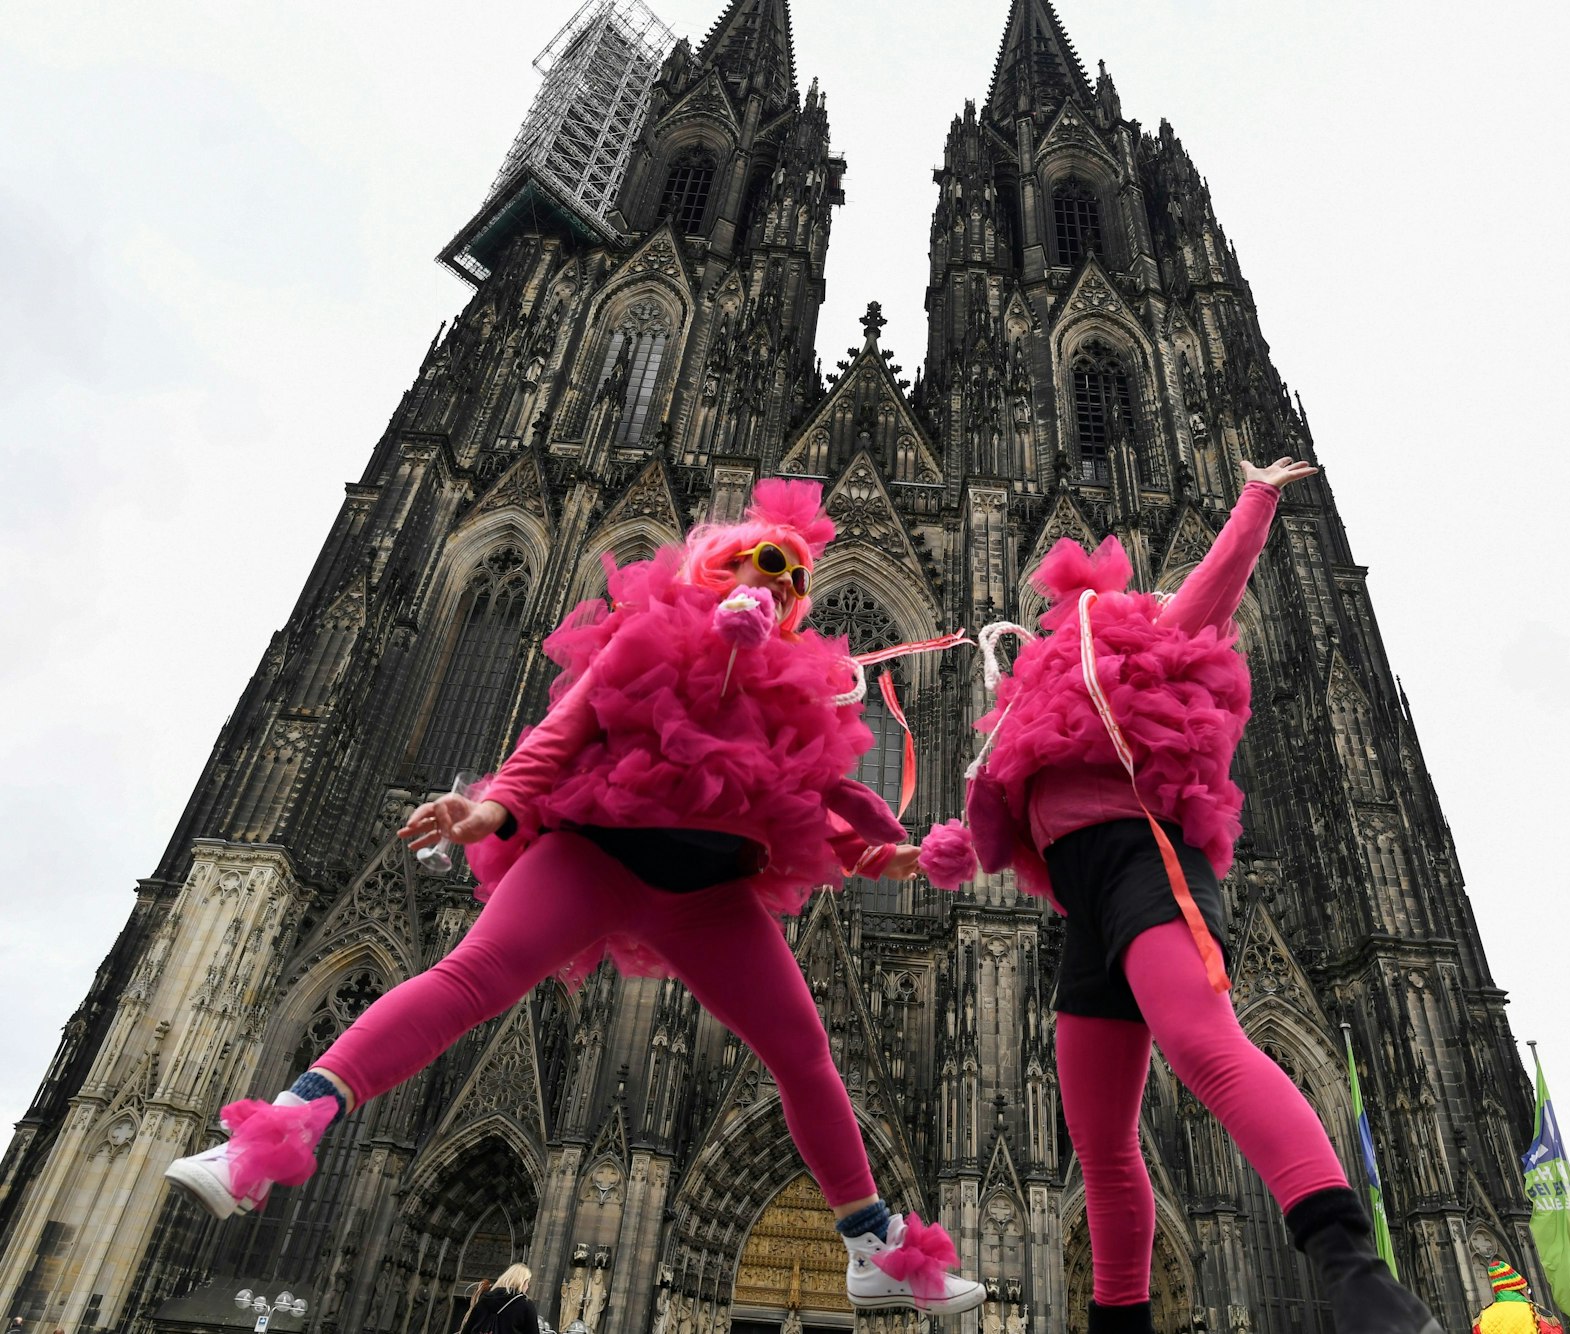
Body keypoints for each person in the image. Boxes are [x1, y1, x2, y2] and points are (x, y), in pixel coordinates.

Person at [163, 480, 984, 1315]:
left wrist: (905, 856)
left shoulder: (794, 688)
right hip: (593, 855)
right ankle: (272, 1134)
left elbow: (817, 802)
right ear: (718, 567)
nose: (777, 584)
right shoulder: (646, 642)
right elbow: (558, 737)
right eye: (762, 563)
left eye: (794, 579)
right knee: (470, 978)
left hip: (706, 893)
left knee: (804, 1053)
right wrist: (485, 809)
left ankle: (869, 1245)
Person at [920, 458, 1441, 1334]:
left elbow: (1209, 593)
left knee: (1202, 1046)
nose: (1064, 621)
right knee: (1098, 1137)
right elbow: (1000, 802)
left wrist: (1256, 495)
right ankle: (1117, 1320)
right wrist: (941, 849)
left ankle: (1355, 1273)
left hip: (1143, 866)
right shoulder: (1026, 709)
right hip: (1086, 907)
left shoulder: (1141, 643)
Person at [462, 1265, 540, 1334]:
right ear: (522, 1283)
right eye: (527, 1283)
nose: (527, 1287)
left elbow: (468, 1329)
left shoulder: (485, 1299)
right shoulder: (525, 1304)